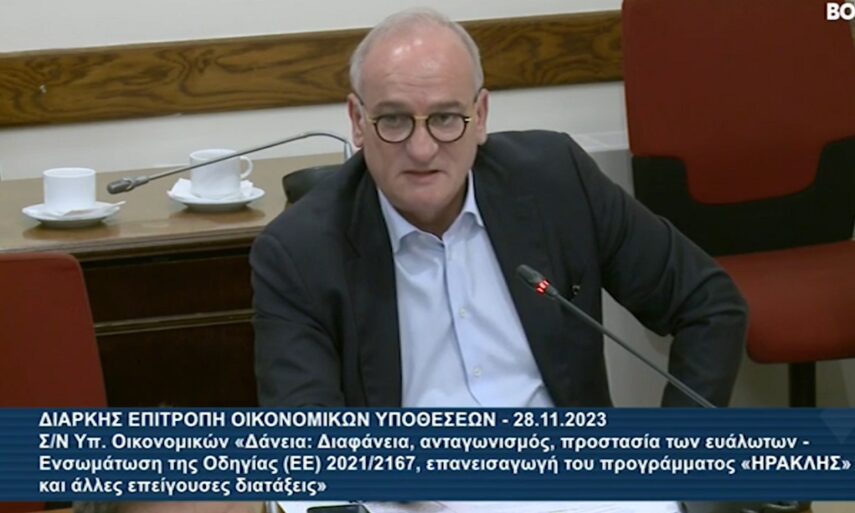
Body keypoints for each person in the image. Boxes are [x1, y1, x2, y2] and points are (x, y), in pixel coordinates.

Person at [250, 7, 747, 408]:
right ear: (358, 121)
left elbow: (708, 303)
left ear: (481, 115)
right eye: (394, 120)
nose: (422, 149)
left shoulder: (557, 182)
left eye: (446, 118)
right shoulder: (298, 253)